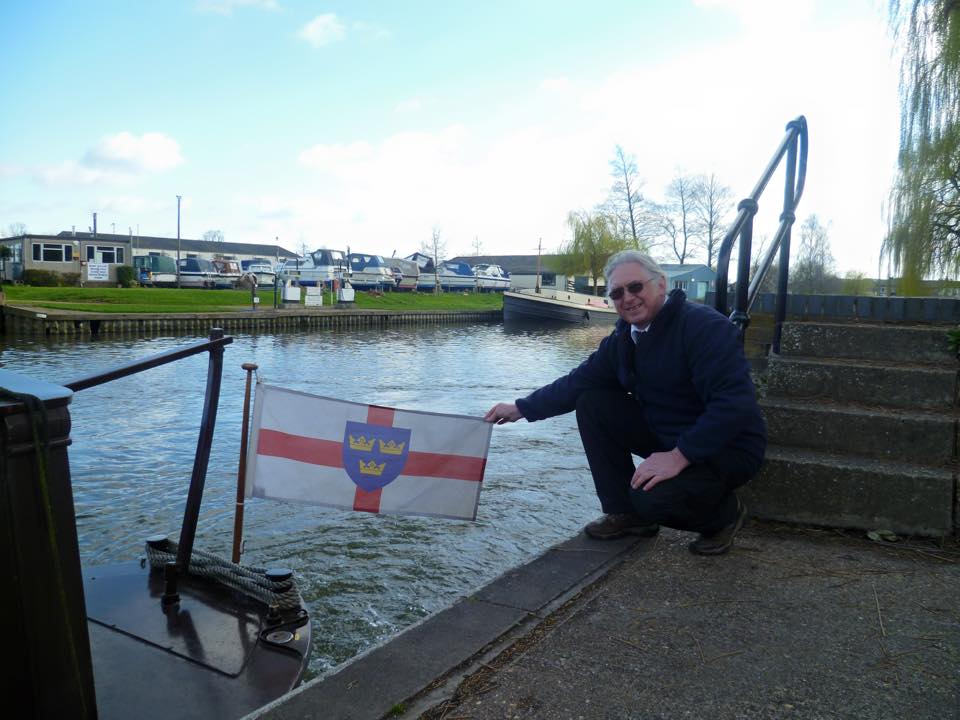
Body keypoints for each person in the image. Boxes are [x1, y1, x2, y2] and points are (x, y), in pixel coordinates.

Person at [484, 250, 766, 556]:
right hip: (668, 434)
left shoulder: (704, 328)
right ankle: (627, 515)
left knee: (652, 499)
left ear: (661, 285)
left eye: (635, 287)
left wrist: (680, 455)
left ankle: (726, 516)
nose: (627, 298)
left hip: (727, 448)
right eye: (617, 293)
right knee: (592, 402)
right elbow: (579, 381)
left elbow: (734, 404)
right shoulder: (623, 339)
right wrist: (522, 408)